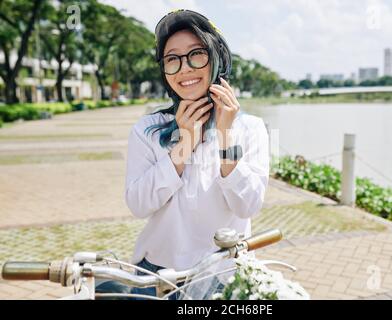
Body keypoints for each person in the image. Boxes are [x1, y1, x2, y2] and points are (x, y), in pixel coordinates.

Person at [97, 9, 269, 300]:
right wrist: (183, 144)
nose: (185, 68)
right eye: (172, 59)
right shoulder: (148, 129)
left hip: (222, 278)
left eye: (196, 54)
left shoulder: (250, 128)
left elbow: (247, 206)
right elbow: (139, 204)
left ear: (216, 59)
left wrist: (226, 135)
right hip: (154, 276)